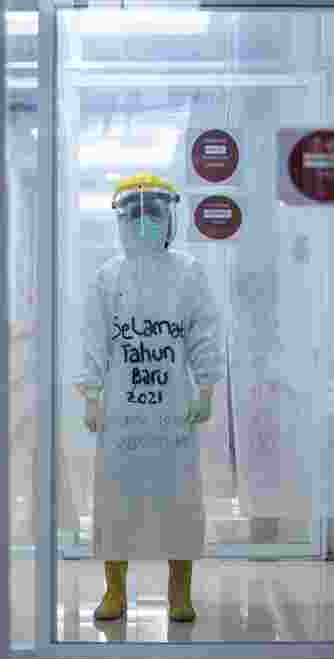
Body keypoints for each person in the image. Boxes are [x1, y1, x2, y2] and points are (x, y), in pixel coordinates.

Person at [75, 172, 225, 623]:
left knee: (178, 503)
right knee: (115, 504)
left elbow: (204, 333)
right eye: (135, 215)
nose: (143, 224)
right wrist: (91, 394)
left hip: (172, 414)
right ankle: (114, 592)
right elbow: (93, 340)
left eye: (152, 214)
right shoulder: (108, 277)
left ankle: (179, 592)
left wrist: (207, 388)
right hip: (122, 415)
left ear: (169, 219)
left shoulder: (188, 274)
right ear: (121, 221)